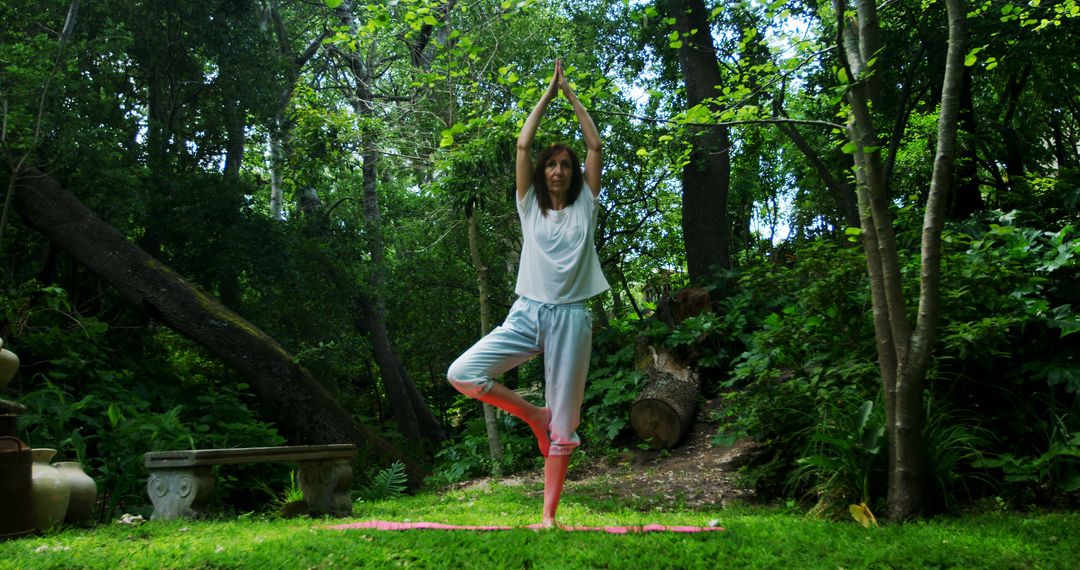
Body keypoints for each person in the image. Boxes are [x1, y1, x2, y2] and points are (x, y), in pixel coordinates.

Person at [447, 60, 609, 529]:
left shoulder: (586, 207)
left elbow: (595, 145)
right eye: (551, 164)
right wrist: (547, 93)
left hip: (572, 319)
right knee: (463, 373)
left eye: (565, 164)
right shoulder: (528, 207)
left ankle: (548, 516)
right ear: (541, 173)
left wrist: (572, 95)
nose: (557, 170)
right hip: (528, 313)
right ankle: (533, 414)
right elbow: (521, 144)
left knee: (566, 424)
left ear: (573, 173)